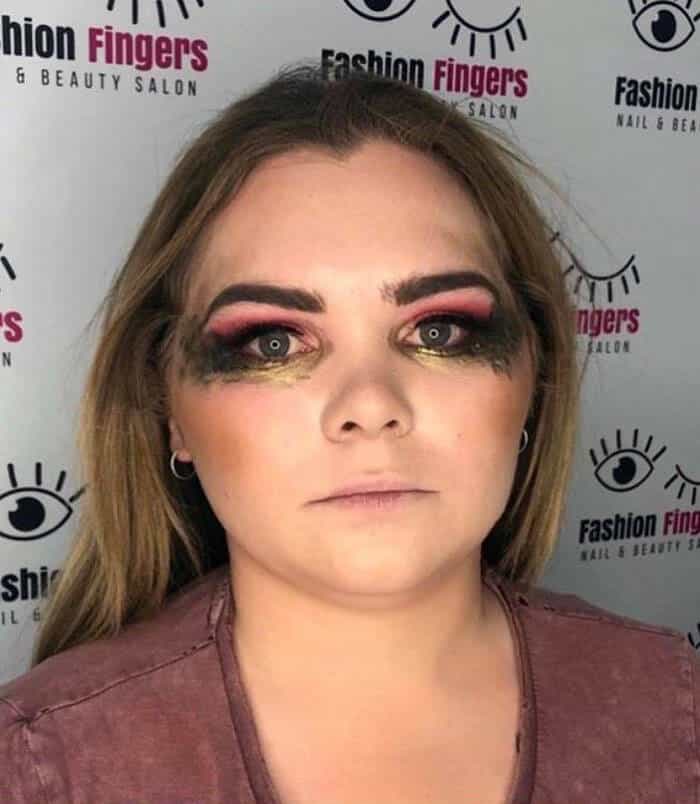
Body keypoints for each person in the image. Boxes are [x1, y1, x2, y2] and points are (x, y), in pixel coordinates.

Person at [1, 63, 698, 804]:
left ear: (534, 375)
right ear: (169, 406)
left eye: (440, 330)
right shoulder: (43, 767)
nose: (369, 405)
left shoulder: (671, 705)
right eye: (273, 343)